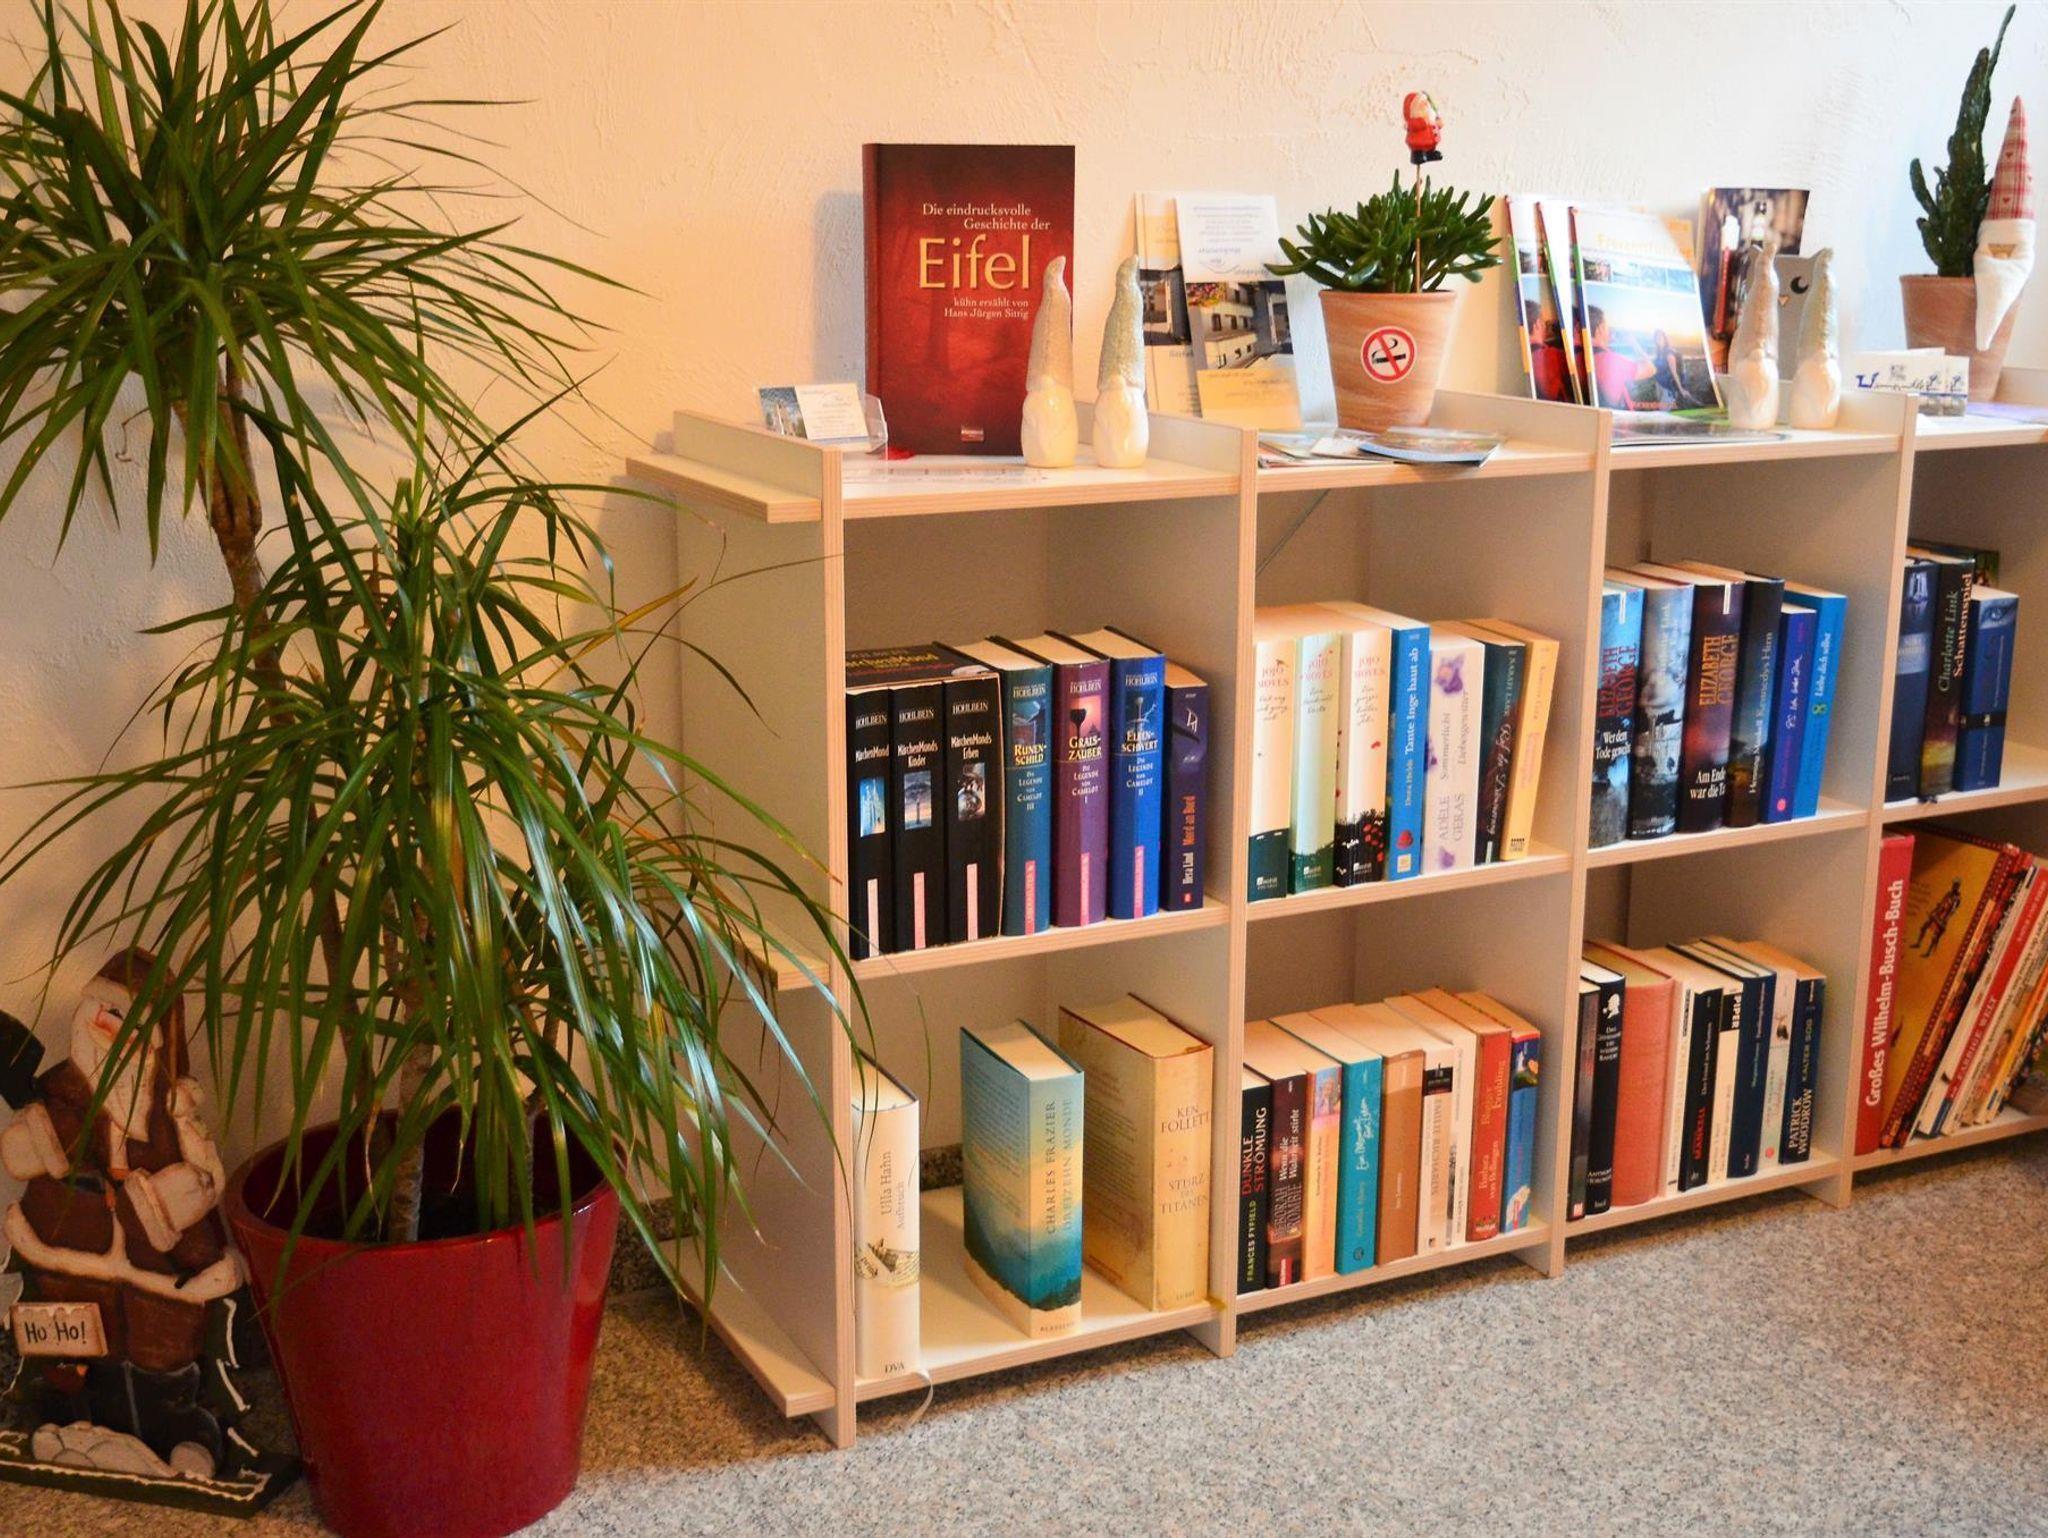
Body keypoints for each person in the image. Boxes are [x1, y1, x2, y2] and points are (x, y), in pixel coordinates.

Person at [1587, 307, 1647, 409]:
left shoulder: (1584, 355)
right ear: (1601, 328)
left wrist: (1606, 342)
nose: (1609, 330)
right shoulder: (1609, 360)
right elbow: (1649, 368)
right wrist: (1634, 343)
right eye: (1607, 327)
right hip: (1619, 416)